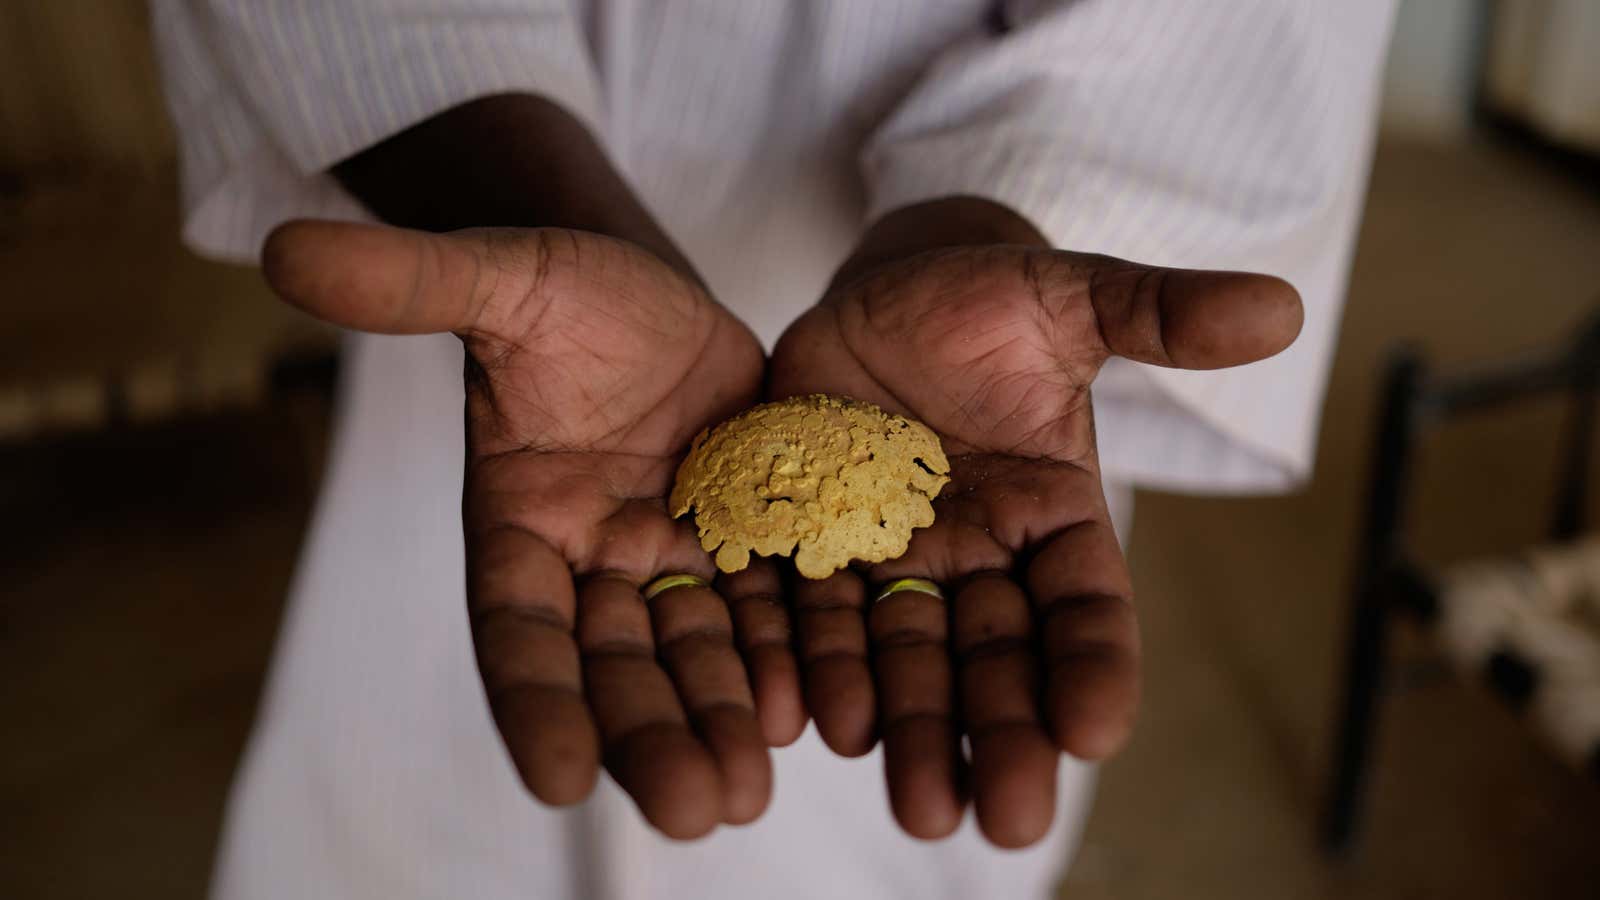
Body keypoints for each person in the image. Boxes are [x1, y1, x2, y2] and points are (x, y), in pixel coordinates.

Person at [152, 1, 1396, 897]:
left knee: (859, 841)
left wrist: (994, 201)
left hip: (975, 402)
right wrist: (516, 183)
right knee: (425, 806)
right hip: (527, 379)